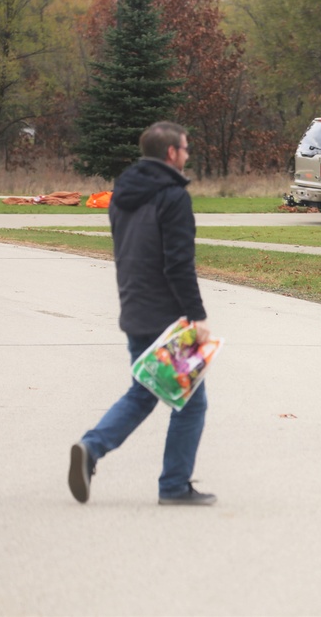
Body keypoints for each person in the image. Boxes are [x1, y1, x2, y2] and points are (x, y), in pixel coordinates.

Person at [68, 121, 216, 506]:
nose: (187, 154)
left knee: (144, 392)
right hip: (167, 316)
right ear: (171, 153)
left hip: (135, 306)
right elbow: (178, 264)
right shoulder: (172, 197)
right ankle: (173, 486)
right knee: (190, 401)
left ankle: (92, 447)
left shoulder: (122, 194)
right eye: (185, 148)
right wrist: (196, 316)